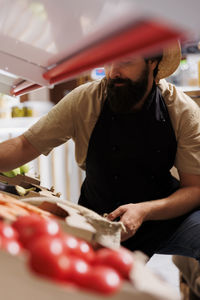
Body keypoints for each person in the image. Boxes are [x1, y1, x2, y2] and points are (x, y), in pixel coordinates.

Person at [0, 41, 200, 259]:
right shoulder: (84, 100)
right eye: (107, 62)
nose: (113, 72)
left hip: (164, 218)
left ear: (153, 61)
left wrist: (146, 210)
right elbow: (26, 144)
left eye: (125, 62)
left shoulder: (181, 110)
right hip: (100, 218)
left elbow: (195, 188)